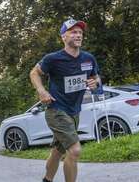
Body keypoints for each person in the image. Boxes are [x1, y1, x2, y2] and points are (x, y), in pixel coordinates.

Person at [30, 18, 101, 182]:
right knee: (75, 151)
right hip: (56, 110)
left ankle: (47, 179)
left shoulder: (88, 58)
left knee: (58, 152)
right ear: (63, 36)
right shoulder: (52, 59)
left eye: (80, 32)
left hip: (74, 111)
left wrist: (95, 82)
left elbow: (96, 78)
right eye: (73, 32)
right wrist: (41, 91)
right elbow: (34, 73)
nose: (78, 35)